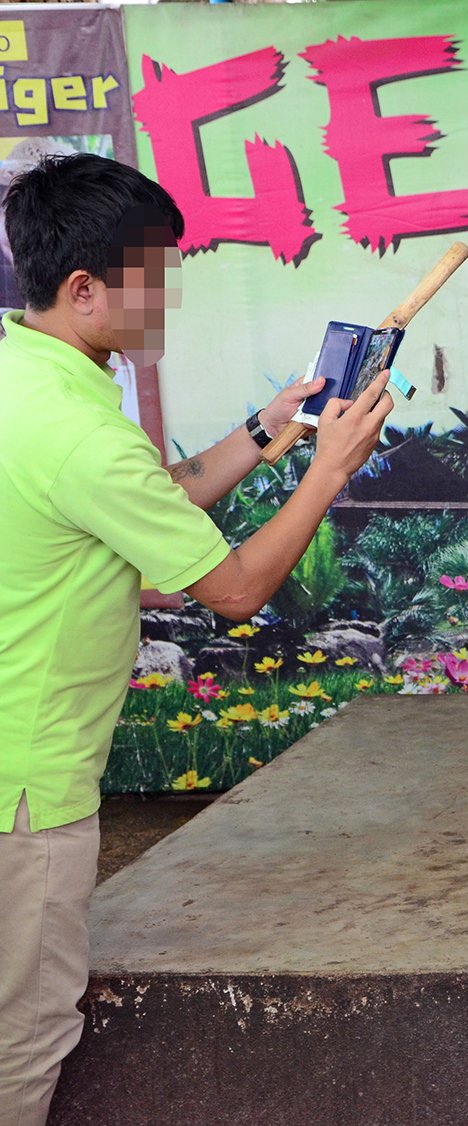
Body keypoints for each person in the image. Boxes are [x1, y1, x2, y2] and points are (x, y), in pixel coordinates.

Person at [0, 153, 395, 1124]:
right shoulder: (81, 430)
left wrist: (266, 434)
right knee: (25, 1034)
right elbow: (233, 589)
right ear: (86, 288)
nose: (170, 290)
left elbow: (147, 503)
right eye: (154, 271)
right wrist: (328, 472)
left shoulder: (29, 375)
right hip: (26, 791)